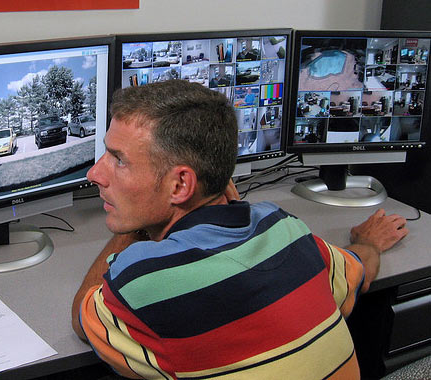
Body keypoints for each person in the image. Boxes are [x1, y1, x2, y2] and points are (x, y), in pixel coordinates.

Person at [71, 79, 408, 379]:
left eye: (119, 159)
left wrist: (132, 225)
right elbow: (358, 271)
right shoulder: (289, 231)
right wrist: (369, 243)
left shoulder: (144, 279)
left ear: (180, 185)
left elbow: (83, 317)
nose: (95, 174)